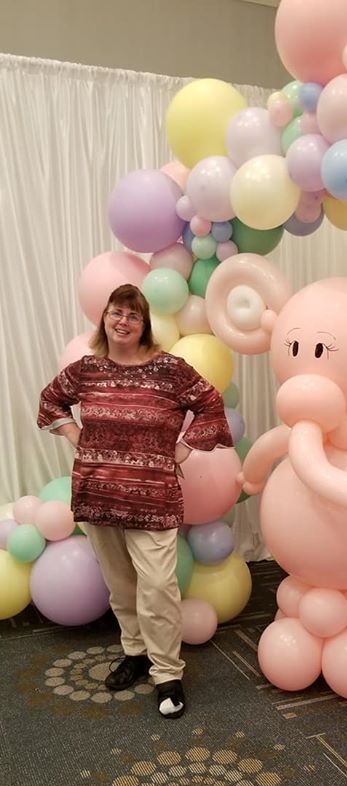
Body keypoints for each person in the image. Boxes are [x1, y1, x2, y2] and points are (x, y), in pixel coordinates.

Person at [37, 283, 232, 719]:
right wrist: (74, 434)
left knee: (159, 587)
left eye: (132, 315)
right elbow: (50, 401)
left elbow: (210, 406)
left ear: (144, 325)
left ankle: (167, 673)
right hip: (98, 492)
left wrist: (183, 448)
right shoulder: (86, 370)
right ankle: (136, 652)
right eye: (115, 313)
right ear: (103, 319)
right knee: (121, 585)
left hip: (154, 498)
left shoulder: (169, 369)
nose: (122, 321)